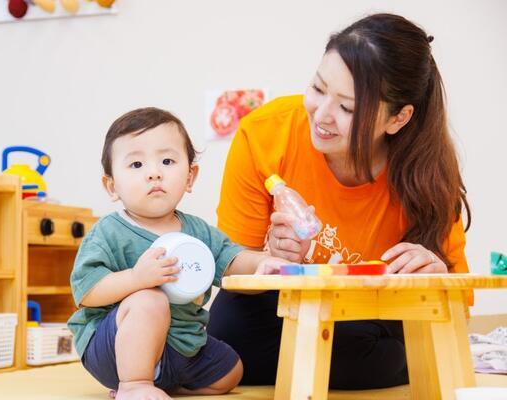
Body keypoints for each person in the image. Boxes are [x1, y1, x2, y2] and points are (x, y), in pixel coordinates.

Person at [207, 13, 471, 390]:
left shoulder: (426, 170)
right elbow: (233, 268)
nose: (322, 116)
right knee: (226, 331)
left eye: (348, 108)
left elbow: (460, 302)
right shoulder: (265, 134)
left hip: (378, 312)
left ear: (398, 118)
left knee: (376, 346)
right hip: (296, 303)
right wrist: (272, 261)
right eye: (318, 88)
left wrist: (436, 275)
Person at [67, 107, 288, 400]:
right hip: (116, 348)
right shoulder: (109, 232)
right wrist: (136, 278)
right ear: (112, 186)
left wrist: (262, 261)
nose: (154, 172)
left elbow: (231, 259)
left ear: (190, 177)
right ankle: (134, 385)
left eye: (167, 161)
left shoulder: (198, 231)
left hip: (182, 347)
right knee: (150, 299)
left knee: (232, 371)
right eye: (135, 165)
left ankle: (166, 384)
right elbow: (87, 291)